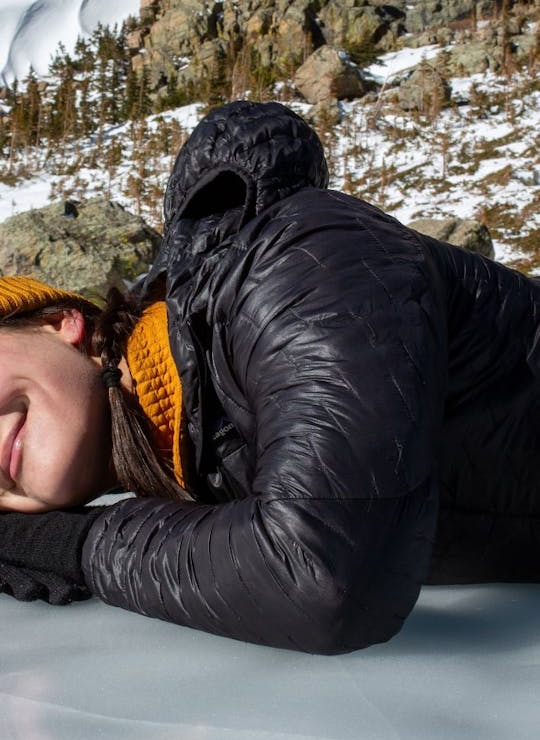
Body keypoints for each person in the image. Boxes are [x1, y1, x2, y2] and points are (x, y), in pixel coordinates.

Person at [0, 100, 538, 653]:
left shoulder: (292, 266)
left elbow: (327, 576)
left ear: (57, 323)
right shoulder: (189, 449)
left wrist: (71, 545)